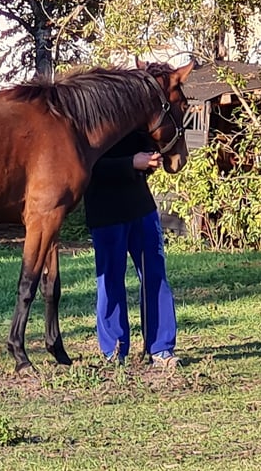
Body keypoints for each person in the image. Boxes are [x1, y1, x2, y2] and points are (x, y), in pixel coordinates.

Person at [84, 130, 179, 368]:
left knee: (155, 277)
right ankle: (114, 351)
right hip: (106, 212)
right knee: (110, 281)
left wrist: (151, 159)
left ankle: (161, 349)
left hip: (141, 208)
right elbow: (86, 164)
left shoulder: (132, 118)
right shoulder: (87, 119)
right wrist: (131, 162)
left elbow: (150, 147)